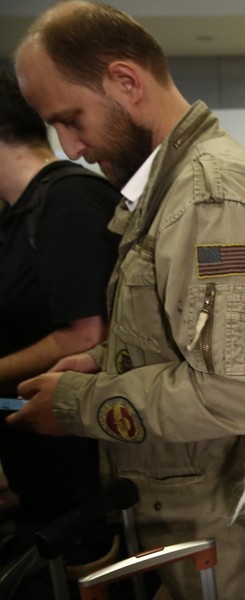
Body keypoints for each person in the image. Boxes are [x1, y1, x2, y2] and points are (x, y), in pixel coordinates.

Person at [11, 3, 245, 598]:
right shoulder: (171, 190)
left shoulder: (211, 199)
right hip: (200, 519)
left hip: (232, 539)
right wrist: (106, 362)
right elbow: (187, 335)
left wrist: (78, 405)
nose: (70, 147)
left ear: (126, 81)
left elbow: (239, 387)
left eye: (71, 119)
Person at [0, 68, 120, 575]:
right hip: (43, 466)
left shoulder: (67, 200)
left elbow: (84, 334)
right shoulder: (21, 210)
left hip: (82, 469)